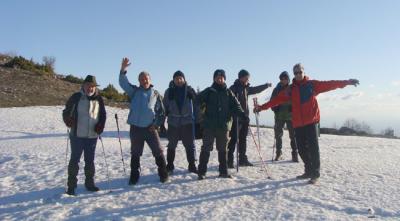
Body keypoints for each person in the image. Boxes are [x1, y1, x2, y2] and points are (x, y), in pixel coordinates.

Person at [254, 63, 359, 184]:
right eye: (296, 73)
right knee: (302, 149)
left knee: (313, 148)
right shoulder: (290, 89)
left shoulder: (312, 85)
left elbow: (330, 84)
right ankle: (308, 170)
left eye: (300, 72)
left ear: (303, 72)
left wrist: (347, 82)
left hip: (311, 122)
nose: (298, 74)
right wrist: (261, 107)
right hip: (298, 123)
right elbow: (276, 100)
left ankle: (315, 173)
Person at [119, 57, 168, 185]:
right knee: (135, 153)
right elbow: (123, 83)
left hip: (150, 129)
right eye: (141, 79)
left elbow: (161, 113)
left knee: (158, 151)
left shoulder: (155, 94)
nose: (144, 80)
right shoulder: (134, 91)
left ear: (150, 80)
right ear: (139, 81)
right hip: (135, 129)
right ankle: (134, 176)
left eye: (146, 78)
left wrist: (156, 124)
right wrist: (123, 69)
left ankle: (163, 174)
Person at [196, 69, 248, 180]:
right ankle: (201, 172)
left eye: (222, 77)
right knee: (206, 148)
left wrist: (243, 115)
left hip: (223, 126)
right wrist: (200, 116)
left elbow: (236, 106)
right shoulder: (209, 91)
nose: (220, 79)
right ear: (214, 78)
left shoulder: (228, 93)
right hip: (209, 125)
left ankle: (223, 171)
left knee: (223, 149)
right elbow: (197, 100)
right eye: (217, 77)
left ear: (224, 79)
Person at [62, 75, 107, 195]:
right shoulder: (76, 97)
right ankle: (71, 186)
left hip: (92, 136)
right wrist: (68, 120)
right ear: (83, 86)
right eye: (88, 86)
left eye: (92, 86)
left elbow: (102, 115)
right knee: (74, 160)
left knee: (90, 161)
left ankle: (90, 184)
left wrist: (100, 126)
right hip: (77, 135)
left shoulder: (99, 99)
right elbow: (66, 111)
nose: (90, 88)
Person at [227, 69, 271, 168]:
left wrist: (266, 85)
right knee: (234, 139)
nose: (248, 79)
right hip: (236, 118)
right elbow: (229, 102)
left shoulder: (246, 88)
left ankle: (242, 159)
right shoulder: (233, 88)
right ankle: (229, 160)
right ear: (241, 77)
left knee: (243, 139)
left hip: (245, 118)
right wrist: (234, 113)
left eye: (248, 77)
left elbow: (255, 89)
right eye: (246, 77)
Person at [163, 70, 198, 174]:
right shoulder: (169, 91)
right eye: (176, 79)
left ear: (184, 79)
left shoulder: (190, 90)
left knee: (189, 145)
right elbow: (165, 106)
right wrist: (161, 123)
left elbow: (196, 105)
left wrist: (198, 121)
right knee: (171, 145)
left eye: (180, 78)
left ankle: (192, 165)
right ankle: (169, 166)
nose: (178, 80)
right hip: (173, 122)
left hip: (187, 121)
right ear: (173, 80)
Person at [270, 71, 298, 162]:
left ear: (288, 79)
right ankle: (278, 153)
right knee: (278, 136)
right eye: (282, 79)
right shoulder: (276, 89)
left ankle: (295, 154)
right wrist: (275, 108)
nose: (283, 80)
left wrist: (293, 107)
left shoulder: (292, 89)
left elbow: (297, 100)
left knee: (293, 136)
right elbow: (272, 102)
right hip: (279, 116)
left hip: (291, 116)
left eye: (285, 78)